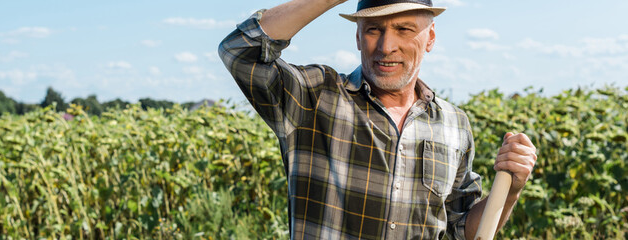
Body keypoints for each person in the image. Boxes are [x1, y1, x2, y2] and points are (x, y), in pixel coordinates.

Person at [218, 0, 537, 239]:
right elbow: (240, 50)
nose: (386, 47)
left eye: (403, 29)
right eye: (373, 29)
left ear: (430, 38)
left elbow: (460, 228)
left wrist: (511, 189)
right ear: (358, 37)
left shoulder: (455, 125)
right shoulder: (315, 97)